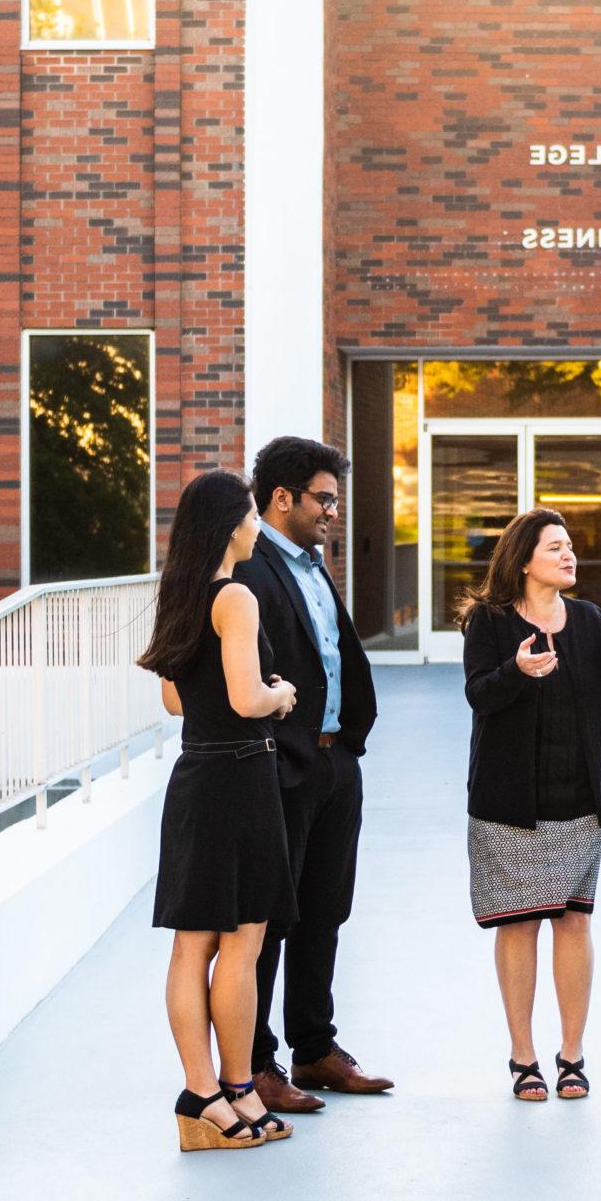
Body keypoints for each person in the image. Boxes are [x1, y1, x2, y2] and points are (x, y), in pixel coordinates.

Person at [459, 508, 601, 1102]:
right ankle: (523, 1056)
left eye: (570, 547)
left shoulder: (591, 621)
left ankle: (572, 1054)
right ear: (523, 561)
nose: (569, 556)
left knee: (574, 920)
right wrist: (517, 671)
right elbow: (479, 696)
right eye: (555, 548)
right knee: (517, 926)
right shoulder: (490, 623)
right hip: (509, 805)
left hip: (578, 800)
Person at [138, 470, 302, 1151]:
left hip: (195, 774)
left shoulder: (179, 594)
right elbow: (244, 700)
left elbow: (176, 703)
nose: (258, 522)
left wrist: (244, 690)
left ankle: (202, 1095)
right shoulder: (235, 597)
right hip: (240, 775)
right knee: (243, 941)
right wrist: (280, 692)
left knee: (192, 943)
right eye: (250, 513)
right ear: (232, 523)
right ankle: (235, 1088)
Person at [232, 436, 392, 1112]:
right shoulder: (251, 570)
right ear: (282, 498)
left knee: (326, 909)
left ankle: (314, 1048)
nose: (332, 511)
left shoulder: (312, 565)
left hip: (334, 761)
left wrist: (346, 744)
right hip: (283, 763)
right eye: (323, 499)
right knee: (273, 919)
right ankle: (259, 1062)